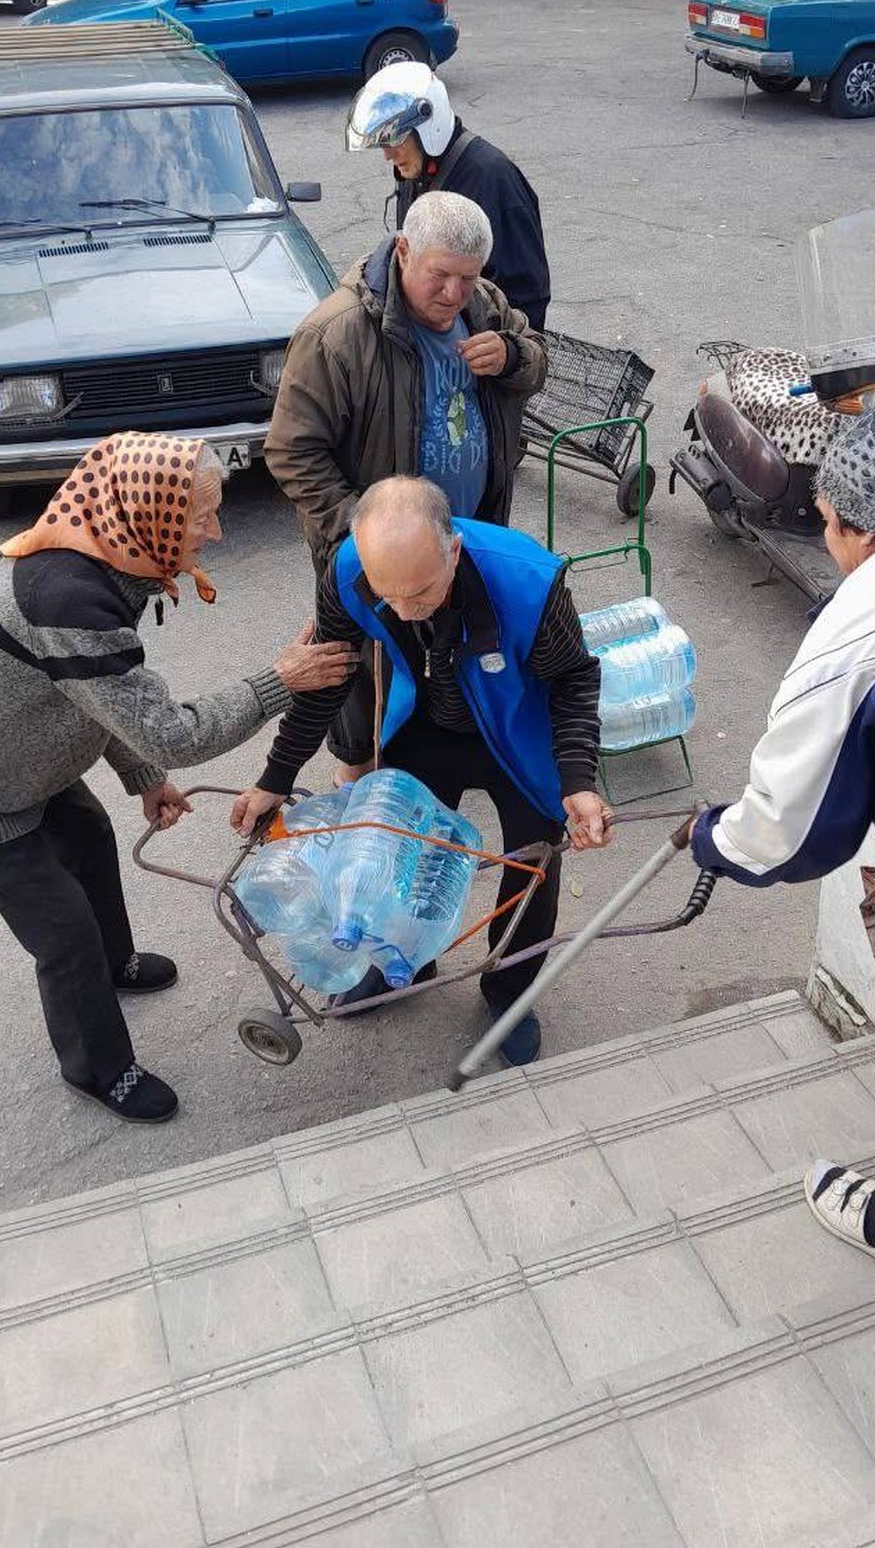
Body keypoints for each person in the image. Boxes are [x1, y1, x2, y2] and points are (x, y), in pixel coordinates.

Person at [0, 433, 357, 1124]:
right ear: (152, 510)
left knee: (88, 839)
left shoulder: (102, 552)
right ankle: (97, 1068)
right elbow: (173, 731)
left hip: (29, 754)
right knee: (63, 932)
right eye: (200, 515)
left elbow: (91, 694)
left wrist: (140, 771)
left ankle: (114, 967)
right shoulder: (68, 599)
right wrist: (280, 680)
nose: (216, 531)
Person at [688, 398, 875, 1272]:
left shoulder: (864, 624)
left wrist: (712, 840)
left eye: (829, 521)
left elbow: (790, 826)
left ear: (864, 533)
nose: (826, 537)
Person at [232, 475, 608, 1065]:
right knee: (398, 850)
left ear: (452, 548)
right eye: (392, 597)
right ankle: (404, 958)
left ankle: (510, 991)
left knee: (533, 863)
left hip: (517, 728)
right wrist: (274, 779)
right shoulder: (349, 571)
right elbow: (325, 678)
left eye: (423, 593)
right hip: (430, 719)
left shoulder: (529, 580)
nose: (406, 610)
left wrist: (579, 783)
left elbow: (576, 678)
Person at [265, 190, 547, 783]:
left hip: (462, 541)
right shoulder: (336, 334)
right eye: (439, 276)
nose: (454, 295)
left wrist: (516, 355)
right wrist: (367, 532)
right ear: (402, 252)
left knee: (452, 664)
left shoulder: (485, 308)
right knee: (367, 681)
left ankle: (441, 770)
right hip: (381, 555)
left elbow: (538, 362)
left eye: (468, 279)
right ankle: (362, 788)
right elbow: (292, 451)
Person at [345, 62, 551, 330]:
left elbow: (527, 296)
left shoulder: (493, 178)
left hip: (478, 352)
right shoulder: (417, 172)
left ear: (428, 127)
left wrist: (506, 354)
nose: (388, 155)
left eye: (394, 141)